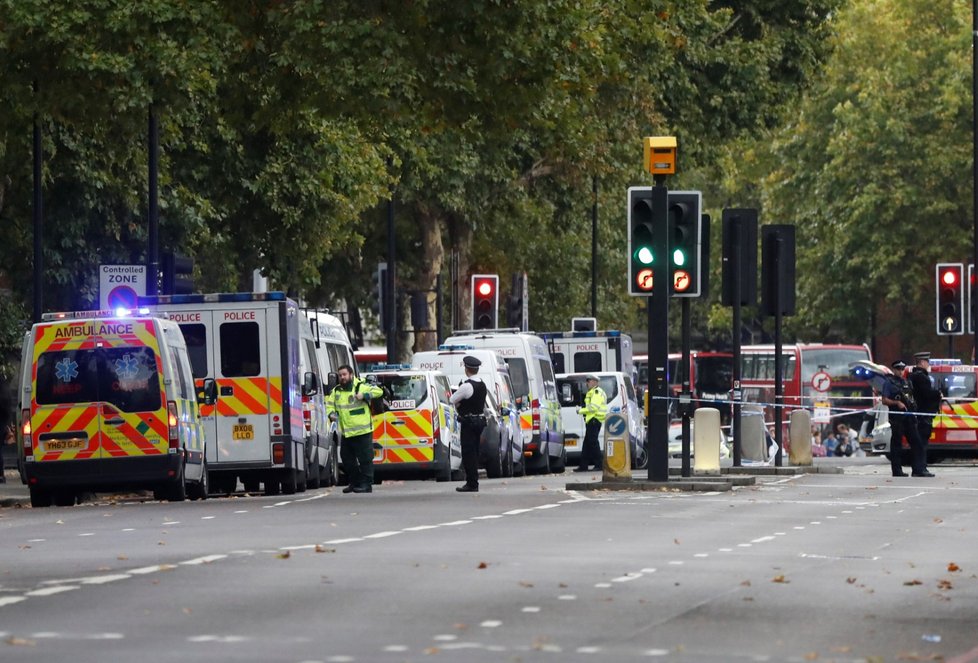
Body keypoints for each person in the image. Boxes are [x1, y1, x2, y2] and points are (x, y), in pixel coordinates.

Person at [326, 364, 383, 493]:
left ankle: (367, 485)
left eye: (344, 375)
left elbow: (379, 391)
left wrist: (364, 395)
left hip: (363, 432)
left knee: (365, 459)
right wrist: (331, 414)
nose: (342, 377)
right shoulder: (336, 391)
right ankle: (355, 482)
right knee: (346, 459)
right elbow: (329, 405)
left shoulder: (360, 386)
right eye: (340, 375)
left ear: (351, 375)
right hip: (347, 433)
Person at [880, 359, 931, 478]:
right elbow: (884, 400)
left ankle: (918, 469)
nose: (901, 371)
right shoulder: (889, 382)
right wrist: (897, 402)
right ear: (894, 370)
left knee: (917, 442)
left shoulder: (906, 381)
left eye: (902, 369)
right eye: (898, 369)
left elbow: (911, 397)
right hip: (897, 417)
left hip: (909, 416)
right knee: (897, 444)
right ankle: (897, 471)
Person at [450, 355, 488, 493]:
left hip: (469, 422)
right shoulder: (482, 384)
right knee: (475, 451)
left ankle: (472, 483)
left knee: (468, 453)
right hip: (479, 422)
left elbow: (452, 399)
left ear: (467, 369)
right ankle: (473, 481)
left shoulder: (466, 386)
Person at [909, 352, 942, 469]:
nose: (928, 364)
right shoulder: (921, 377)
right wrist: (938, 394)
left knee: (920, 442)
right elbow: (926, 395)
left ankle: (920, 467)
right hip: (923, 414)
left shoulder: (914, 375)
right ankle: (920, 468)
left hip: (919, 414)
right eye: (927, 362)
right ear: (922, 362)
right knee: (922, 442)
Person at [574, 375, 607, 472]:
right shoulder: (593, 392)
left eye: (588, 381)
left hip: (594, 420)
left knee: (593, 443)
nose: (587, 383)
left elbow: (593, 408)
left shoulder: (596, 392)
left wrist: (580, 410)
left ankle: (599, 464)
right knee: (587, 444)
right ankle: (583, 466)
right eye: (587, 381)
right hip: (592, 420)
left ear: (594, 382)